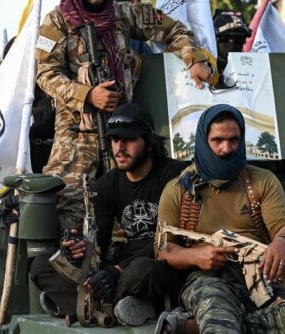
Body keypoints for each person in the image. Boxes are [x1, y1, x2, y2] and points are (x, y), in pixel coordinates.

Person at [154, 104, 285, 334]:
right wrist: (197, 257)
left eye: (233, 140)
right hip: (208, 279)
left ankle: (196, 327)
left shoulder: (261, 182)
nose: (226, 148)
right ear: (203, 140)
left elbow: (283, 225)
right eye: (217, 140)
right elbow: (164, 250)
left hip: (260, 280)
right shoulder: (179, 189)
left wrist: (283, 242)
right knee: (215, 302)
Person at [36, 0, 214, 232]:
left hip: (121, 127)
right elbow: (46, 74)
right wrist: (87, 94)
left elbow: (174, 29)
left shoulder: (124, 12)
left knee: (126, 201)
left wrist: (194, 59)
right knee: (68, 198)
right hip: (77, 129)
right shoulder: (57, 20)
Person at [30, 103, 188, 325]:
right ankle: (115, 308)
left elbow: (171, 240)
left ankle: (83, 305)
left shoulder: (174, 175)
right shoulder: (108, 183)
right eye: (114, 139)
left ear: (149, 143)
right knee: (41, 265)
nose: (119, 148)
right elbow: (100, 242)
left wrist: (117, 271)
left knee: (140, 272)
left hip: (160, 260)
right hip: (123, 263)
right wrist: (80, 249)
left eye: (128, 139)